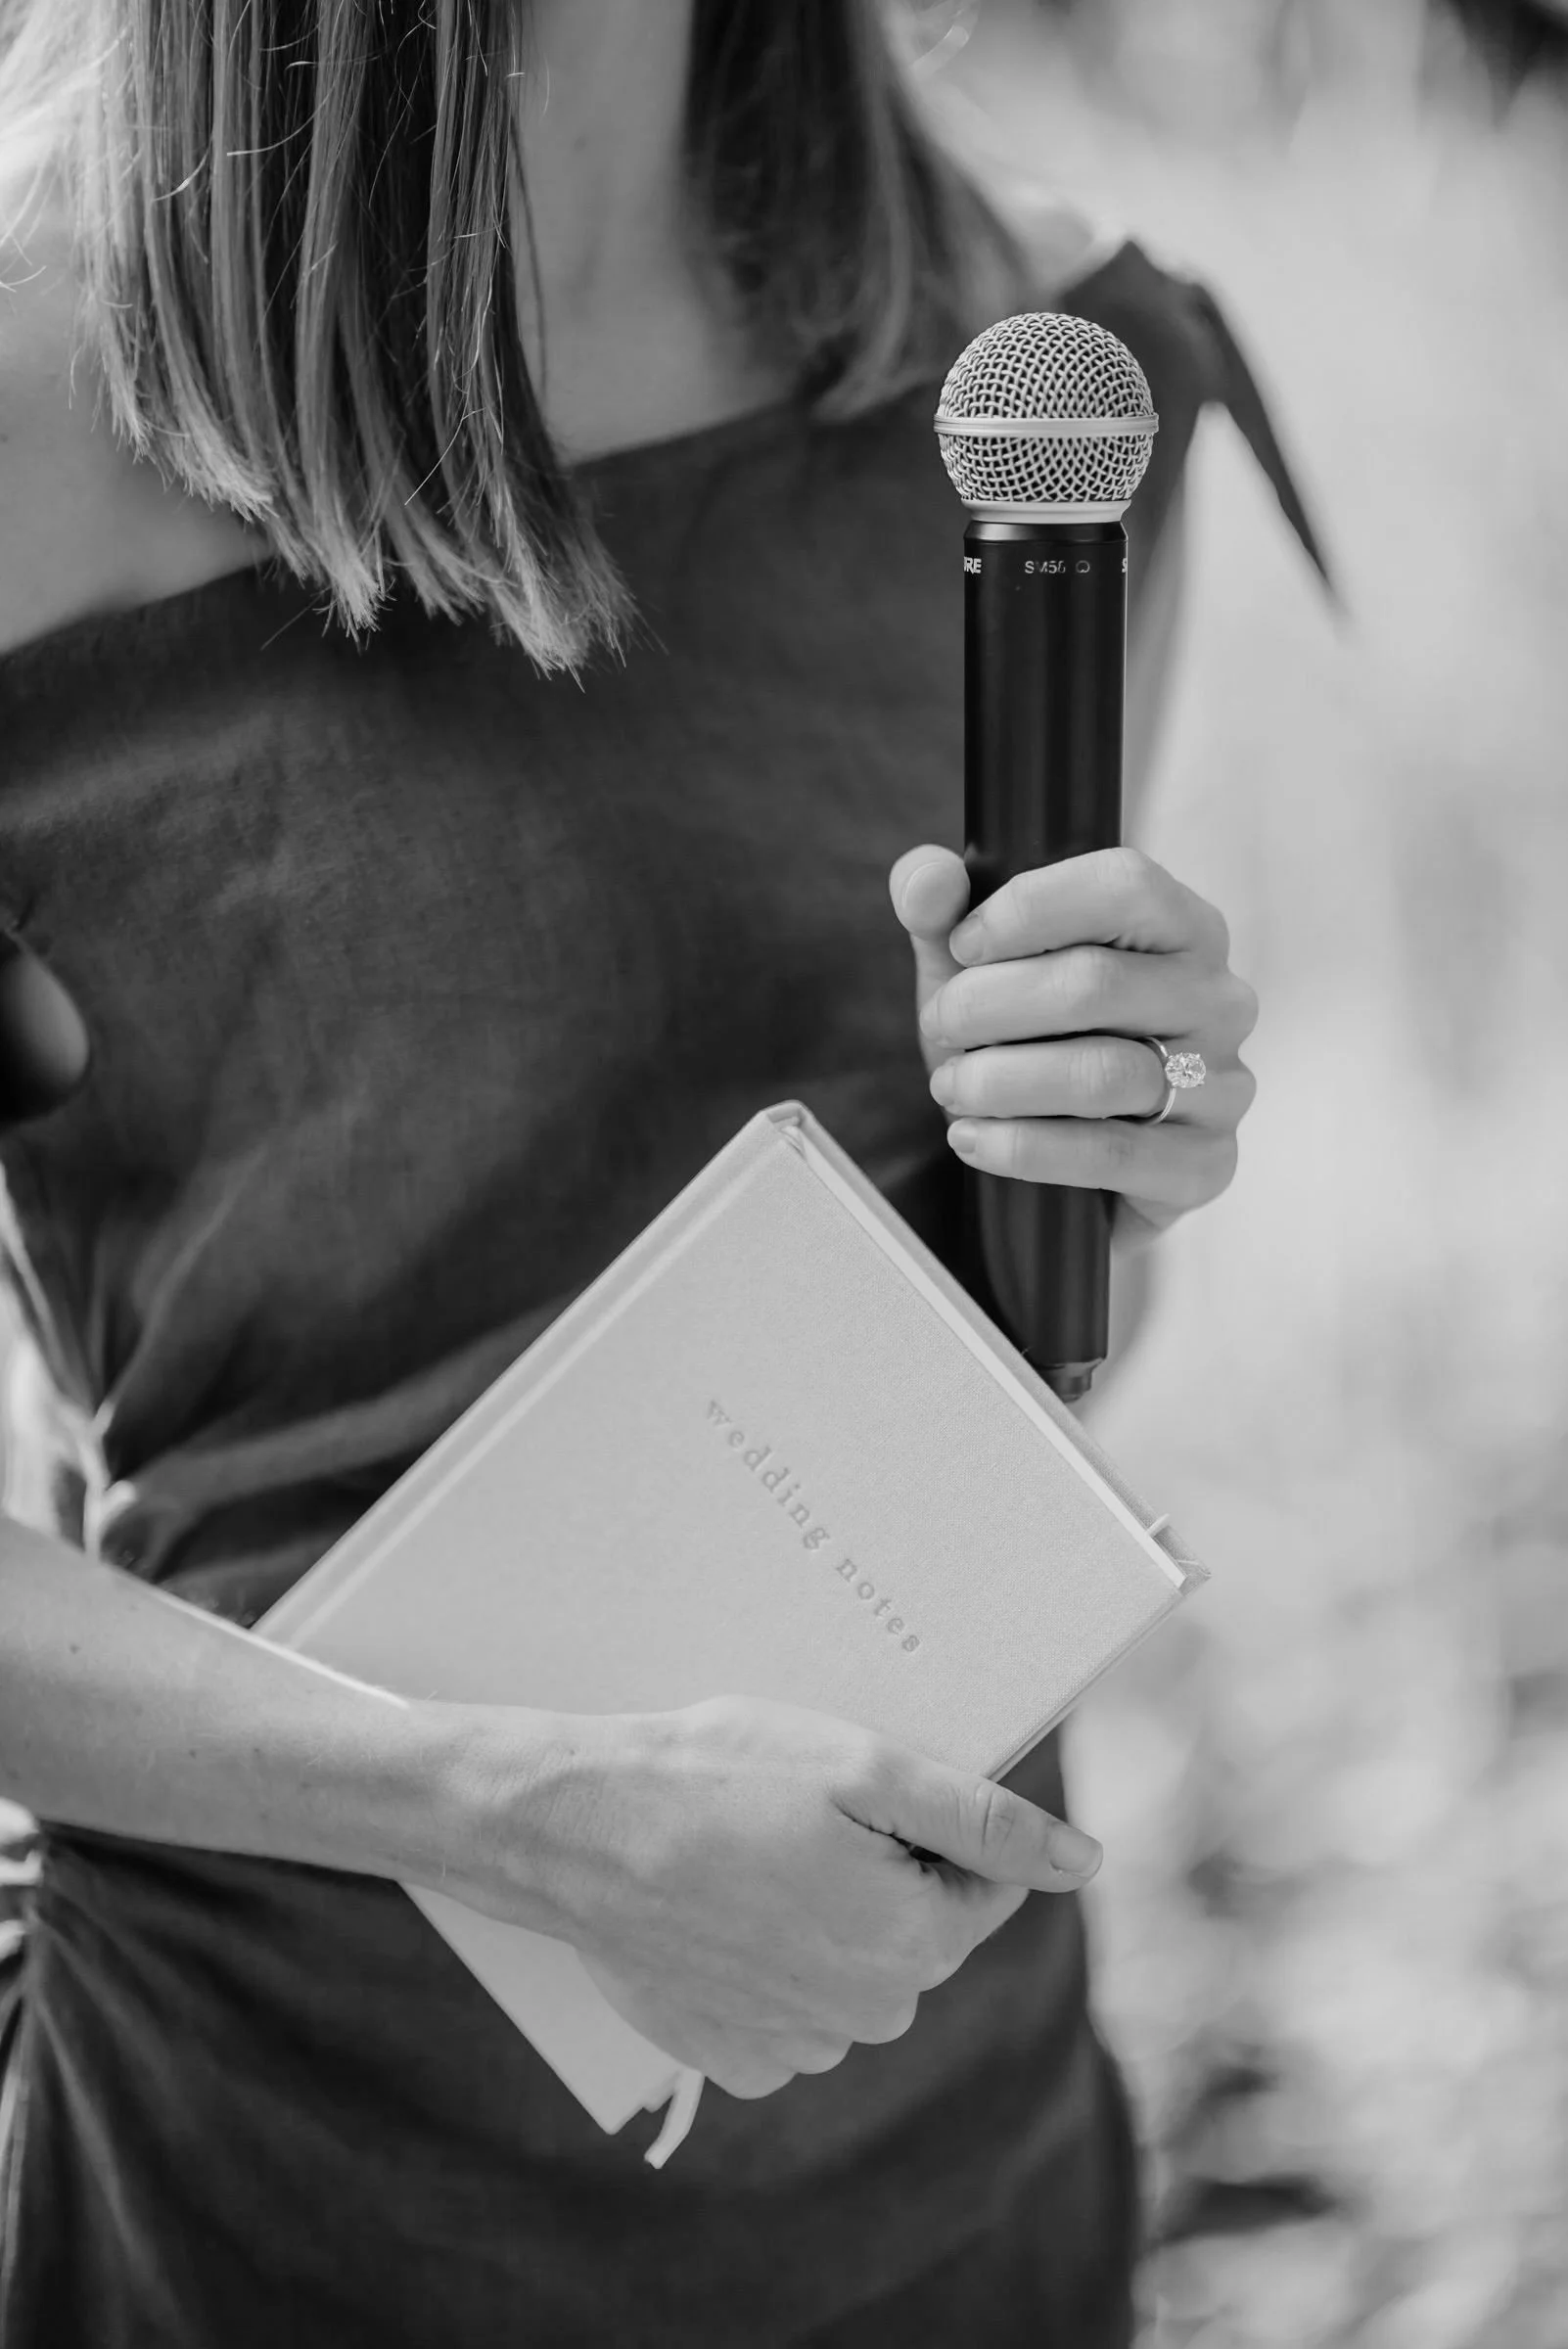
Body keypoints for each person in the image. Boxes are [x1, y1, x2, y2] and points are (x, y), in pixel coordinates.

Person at [0, 5, 1271, 2343]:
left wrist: (1101, 1161)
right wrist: (508, 1811)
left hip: (941, 2152)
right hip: (273, 2190)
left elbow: (1021, 1377)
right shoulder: (27, 380)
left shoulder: (1059, 362)